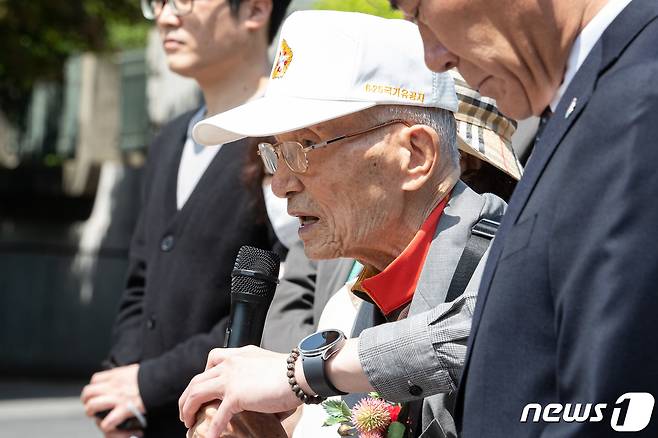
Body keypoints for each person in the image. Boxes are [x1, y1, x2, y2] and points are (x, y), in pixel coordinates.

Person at [178, 11, 508, 438]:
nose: (280, 184)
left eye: (308, 145)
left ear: (415, 156)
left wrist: (299, 373)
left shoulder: (508, 256)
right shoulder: (347, 308)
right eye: (275, 152)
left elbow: (489, 326)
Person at [392, 0, 658, 436]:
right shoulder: (602, 90)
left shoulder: (639, 93)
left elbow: (617, 404)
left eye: (420, 10)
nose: (435, 58)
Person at [80, 1, 291, 437]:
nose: (165, 16)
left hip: (229, 420)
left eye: (183, 1)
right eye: (156, 3)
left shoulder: (287, 134)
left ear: (254, 10)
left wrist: (150, 383)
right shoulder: (170, 137)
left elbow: (286, 295)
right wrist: (121, 384)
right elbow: (141, 279)